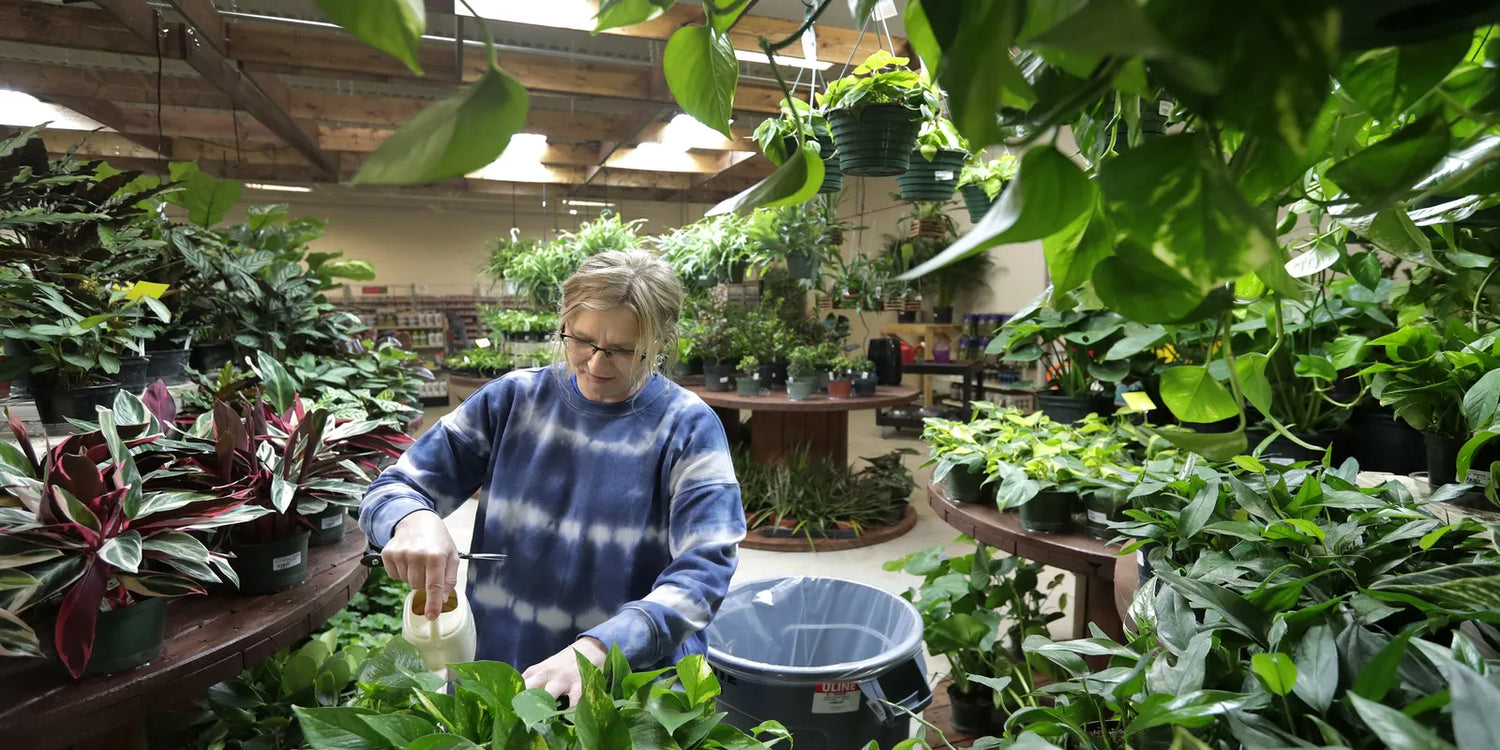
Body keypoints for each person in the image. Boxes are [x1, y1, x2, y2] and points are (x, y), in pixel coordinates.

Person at [359, 250, 745, 705]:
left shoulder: (687, 427)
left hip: (630, 691)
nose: (597, 365)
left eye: (623, 350)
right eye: (581, 341)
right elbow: (395, 486)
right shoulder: (512, 400)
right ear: (563, 323)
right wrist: (413, 521)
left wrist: (601, 646)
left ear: (661, 341)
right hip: (504, 672)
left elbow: (703, 573)